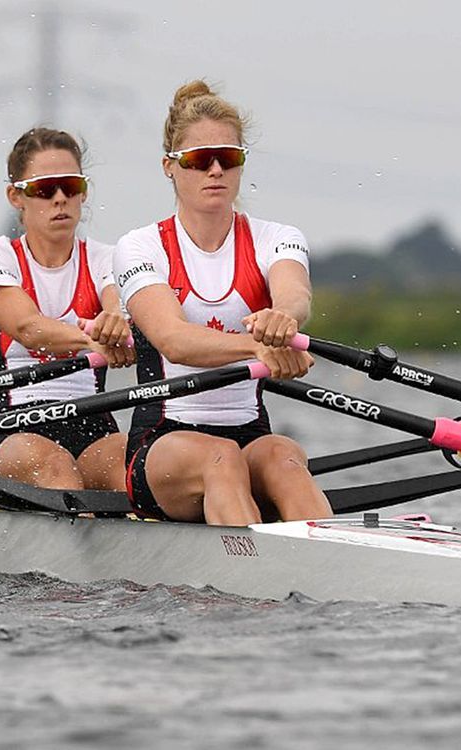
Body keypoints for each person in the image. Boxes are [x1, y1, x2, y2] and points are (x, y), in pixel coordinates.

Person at [113, 80, 334, 525]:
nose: (215, 170)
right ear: (169, 167)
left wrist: (284, 321)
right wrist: (258, 347)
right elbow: (174, 341)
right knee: (221, 459)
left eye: (228, 158)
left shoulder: (277, 237)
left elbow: (295, 294)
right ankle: (254, 583)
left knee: (286, 458)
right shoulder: (139, 247)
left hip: (249, 433)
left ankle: (338, 574)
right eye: (198, 160)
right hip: (163, 441)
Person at [0, 127, 133, 491]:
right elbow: (28, 328)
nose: (60, 198)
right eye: (45, 188)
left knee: (137, 466)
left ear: (82, 192)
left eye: (70, 186)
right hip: (14, 427)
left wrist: (116, 320)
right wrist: (95, 339)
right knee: (58, 469)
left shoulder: (109, 258)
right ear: (16, 196)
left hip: (94, 427)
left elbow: (115, 304)